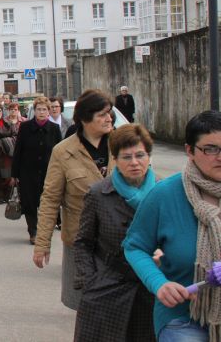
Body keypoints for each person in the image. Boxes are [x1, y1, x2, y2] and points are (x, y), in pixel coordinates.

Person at [125, 110, 221, 341]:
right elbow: (134, 246)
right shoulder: (165, 194)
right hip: (183, 319)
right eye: (210, 149)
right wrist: (160, 284)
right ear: (189, 150)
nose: (220, 156)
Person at [32, 89, 116, 310]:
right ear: (86, 119)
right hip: (81, 241)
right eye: (102, 114)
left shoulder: (123, 145)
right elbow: (50, 199)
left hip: (121, 241)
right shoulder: (63, 151)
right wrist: (42, 243)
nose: (109, 119)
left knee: (118, 307)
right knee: (86, 306)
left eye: (110, 114)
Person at [73, 124, 157, 342]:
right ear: (115, 159)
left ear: (149, 156)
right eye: (126, 157)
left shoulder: (162, 193)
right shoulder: (99, 193)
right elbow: (83, 242)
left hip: (151, 288)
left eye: (140, 155)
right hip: (107, 289)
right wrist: (90, 280)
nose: (134, 162)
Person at [12, 96, 62, 244]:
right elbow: (18, 151)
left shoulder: (54, 129)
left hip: (48, 173)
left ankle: (44, 231)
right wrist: (14, 174)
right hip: (28, 173)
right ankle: (33, 231)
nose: (41, 112)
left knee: (46, 203)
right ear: (34, 111)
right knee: (30, 203)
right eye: (38, 109)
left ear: (49, 112)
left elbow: (60, 153)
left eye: (44, 109)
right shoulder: (26, 127)